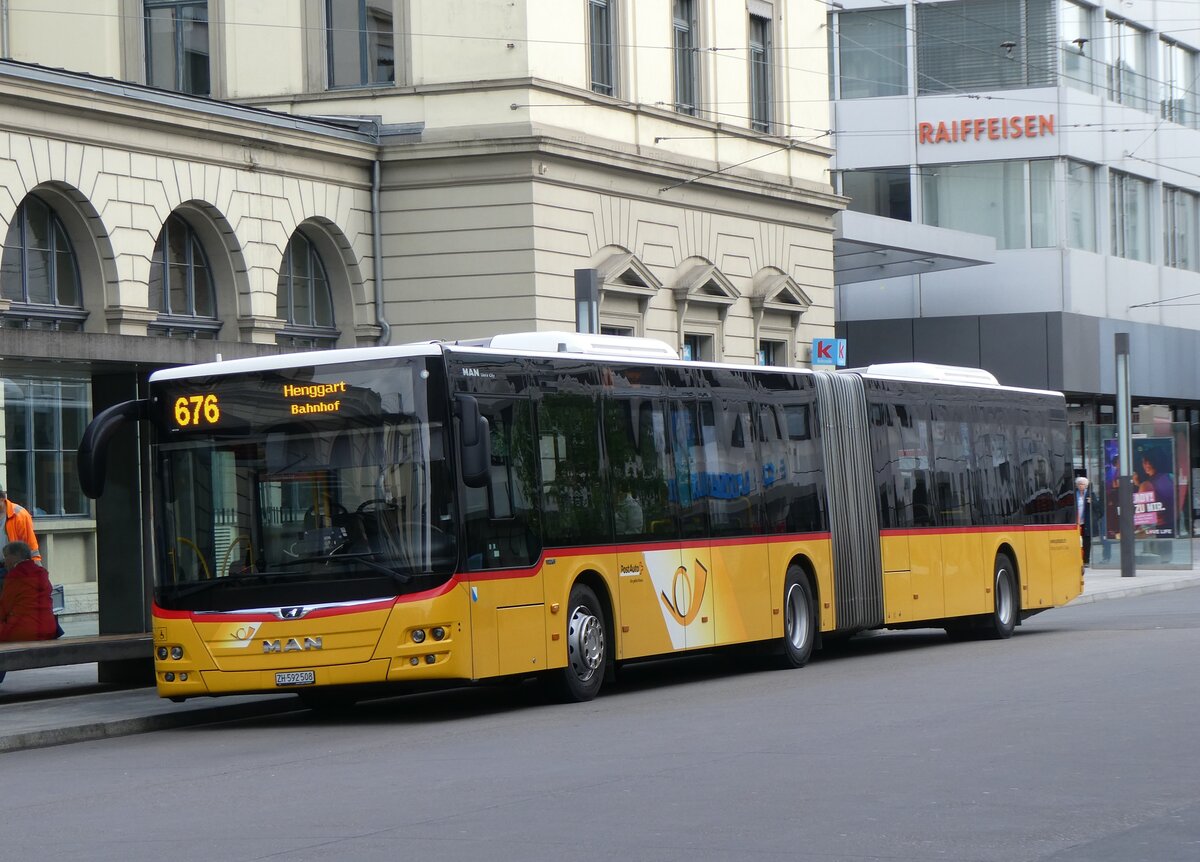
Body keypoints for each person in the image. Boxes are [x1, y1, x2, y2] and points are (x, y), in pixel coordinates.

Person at [0, 540, 58, 642]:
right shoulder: (41, 572)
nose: (4, 562)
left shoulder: (15, 576)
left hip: (24, 630)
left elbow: (4, 608)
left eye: (6, 556)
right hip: (49, 628)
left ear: (15, 556)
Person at [0, 485, 42, 565]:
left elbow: (31, 547)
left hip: (12, 567)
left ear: (2, 499)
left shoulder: (19, 515)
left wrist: (37, 571)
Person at [1075, 476, 1094, 567]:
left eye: (1082, 484)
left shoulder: (1090, 494)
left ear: (1086, 485)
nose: (1080, 486)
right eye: (1078, 484)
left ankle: (1086, 560)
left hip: (1086, 522)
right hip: (1077, 522)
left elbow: (1098, 507)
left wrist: (1092, 502)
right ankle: (1078, 559)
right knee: (1077, 541)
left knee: (1086, 542)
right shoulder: (1075, 494)